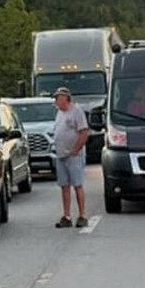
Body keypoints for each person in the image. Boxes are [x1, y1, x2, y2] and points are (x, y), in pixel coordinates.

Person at [52, 87, 90, 228]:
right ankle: (67, 215)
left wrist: (76, 149)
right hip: (61, 154)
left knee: (77, 184)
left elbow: (84, 132)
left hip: (73, 155)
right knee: (64, 186)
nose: (56, 101)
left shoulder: (76, 112)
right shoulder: (59, 113)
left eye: (58, 98)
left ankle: (82, 215)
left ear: (66, 98)